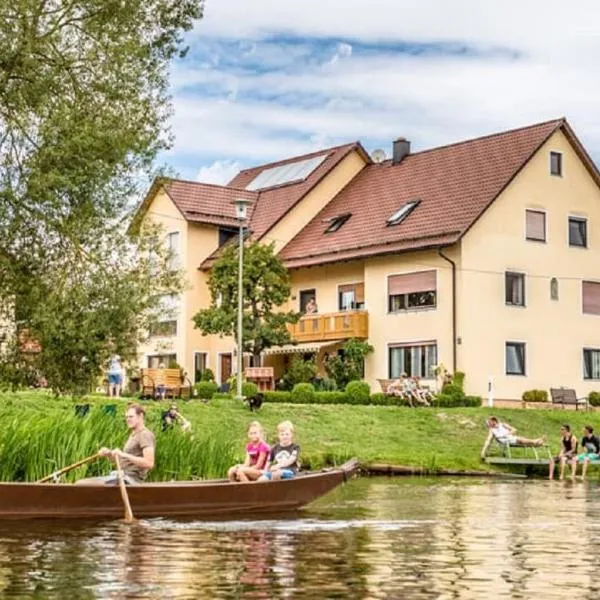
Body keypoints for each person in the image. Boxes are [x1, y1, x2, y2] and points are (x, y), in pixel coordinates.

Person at [76, 403, 155, 485]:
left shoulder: (145, 434)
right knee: (79, 483)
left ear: (140, 416)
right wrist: (109, 454)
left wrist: (123, 454)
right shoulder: (133, 435)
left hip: (131, 479)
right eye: (126, 417)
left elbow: (149, 463)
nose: (128, 419)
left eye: (131, 417)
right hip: (120, 475)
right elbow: (125, 460)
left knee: (81, 484)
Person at [480, 416, 545, 459]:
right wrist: (483, 452)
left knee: (520, 440)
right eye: (489, 422)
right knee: (520, 439)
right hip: (503, 440)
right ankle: (535, 441)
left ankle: (538, 443)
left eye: (490, 421)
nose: (489, 423)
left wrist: (508, 433)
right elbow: (488, 440)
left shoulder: (503, 424)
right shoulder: (492, 430)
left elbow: (514, 430)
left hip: (510, 437)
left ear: (494, 421)